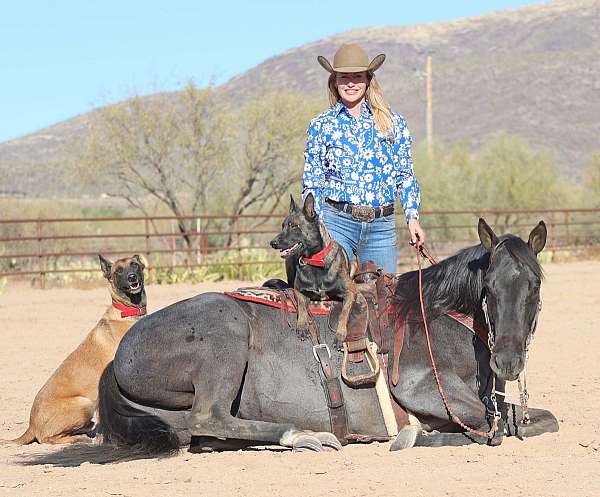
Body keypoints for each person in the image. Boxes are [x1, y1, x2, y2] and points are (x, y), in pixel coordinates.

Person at [302, 43, 425, 273]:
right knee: (330, 298)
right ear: (334, 81)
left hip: (381, 226)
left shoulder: (393, 123)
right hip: (336, 223)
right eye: (344, 77)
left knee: (383, 299)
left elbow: (405, 176)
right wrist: (316, 223)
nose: (351, 83)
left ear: (368, 80)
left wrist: (412, 218)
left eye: (357, 76)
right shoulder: (321, 125)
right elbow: (312, 179)